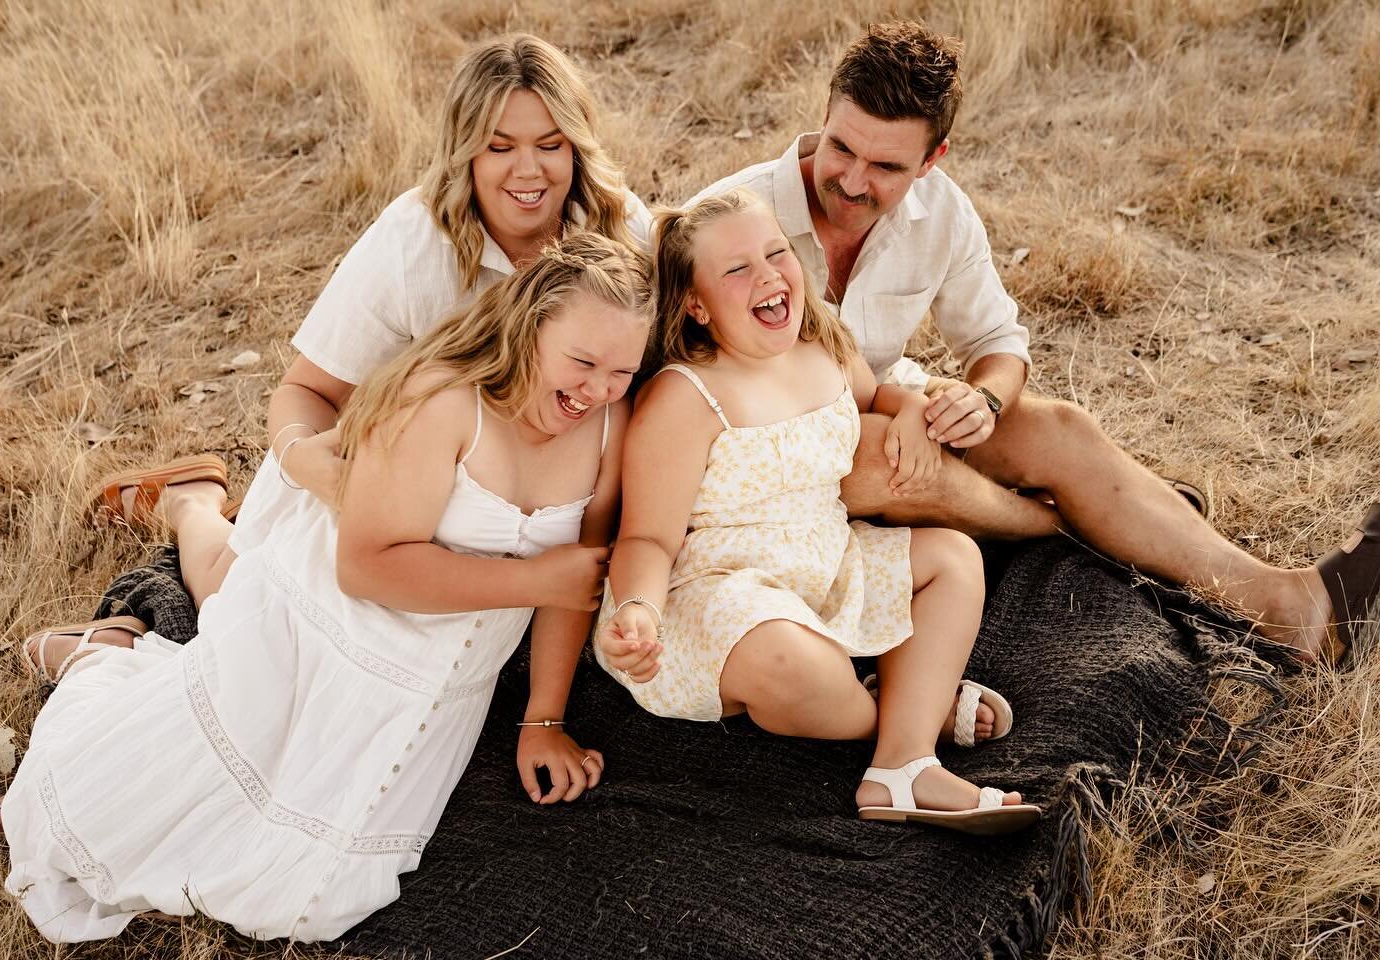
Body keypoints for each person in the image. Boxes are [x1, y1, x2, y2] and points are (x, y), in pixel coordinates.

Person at [0, 234, 652, 942]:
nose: (598, 390)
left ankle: (148, 580)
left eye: (621, 371)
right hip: (324, 641)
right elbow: (366, 567)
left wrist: (543, 720)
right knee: (127, 818)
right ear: (530, 328)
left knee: (313, 898)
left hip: (432, 688)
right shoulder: (447, 403)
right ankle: (137, 597)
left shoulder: (609, 427)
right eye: (583, 362)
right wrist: (530, 578)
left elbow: (573, 584)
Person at [687, 19, 1379, 662]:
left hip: (885, 405)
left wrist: (982, 401)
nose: (852, 181)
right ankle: (1063, 528)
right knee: (873, 455)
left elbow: (996, 340)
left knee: (1057, 428)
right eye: (842, 147)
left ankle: (1293, 607)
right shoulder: (729, 219)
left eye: (888, 168)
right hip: (766, 462)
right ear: (826, 115)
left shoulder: (942, 213)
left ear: (932, 159)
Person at [77, 31, 651, 621]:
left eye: (550, 144)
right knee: (233, 604)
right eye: (499, 147)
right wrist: (314, 468)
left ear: (576, 148)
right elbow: (306, 391)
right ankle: (192, 503)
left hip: (539, 488)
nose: (527, 171)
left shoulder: (619, 225)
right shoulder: (413, 241)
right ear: (465, 153)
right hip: (398, 480)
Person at [595, 189, 1040, 834]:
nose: (769, 275)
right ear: (696, 304)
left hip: (827, 563)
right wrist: (639, 609)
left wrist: (913, 410)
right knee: (790, 662)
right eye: (737, 269)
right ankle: (904, 708)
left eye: (777, 252)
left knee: (953, 556)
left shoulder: (822, 351)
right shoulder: (685, 396)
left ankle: (901, 764)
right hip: (723, 595)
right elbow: (647, 538)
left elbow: (882, 394)